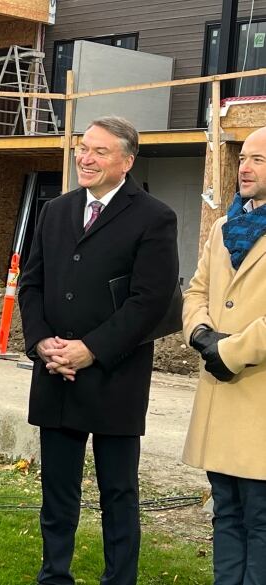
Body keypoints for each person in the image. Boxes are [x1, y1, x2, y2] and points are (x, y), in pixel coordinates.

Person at [18, 116, 179, 585]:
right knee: (57, 491)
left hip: (115, 378)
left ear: (126, 162)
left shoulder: (154, 217)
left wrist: (91, 349)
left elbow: (149, 301)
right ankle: (54, 575)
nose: (85, 158)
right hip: (56, 376)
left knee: (118, 491)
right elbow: (32, 283)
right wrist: (41, 341)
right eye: (82, 148)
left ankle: (119, 578)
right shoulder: (56, 210)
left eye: (99, 151)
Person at [182, 126, 266, 584]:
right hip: (220, 392)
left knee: (260, 519)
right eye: (243, 158)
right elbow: (197, 289)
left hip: (257, 395)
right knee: (226, 512)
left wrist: (231, 350)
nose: (244, 167)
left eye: (257, 159)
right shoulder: (223, 226)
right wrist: (200, 333)